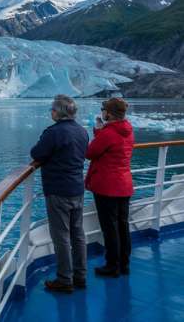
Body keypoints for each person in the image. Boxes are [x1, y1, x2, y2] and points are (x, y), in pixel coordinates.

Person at [31, 94, 89, 293]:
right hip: (77, 189)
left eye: (53, 109)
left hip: (58, 191)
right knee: (78, 234)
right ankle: (80, 276)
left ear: (59, 112)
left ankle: (65, 279)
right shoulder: (82, 131)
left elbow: (37, 154)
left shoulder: (53, 133)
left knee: (61, 236)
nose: (51, 112)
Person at [85, 97, 134, 277]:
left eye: (103, 109)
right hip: (124, 184)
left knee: (110, 227)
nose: (101, 111)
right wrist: (101, 132)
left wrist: (97, 131)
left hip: (107, 186)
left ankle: (112, 266)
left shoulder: (108, 133)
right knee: (122, 225)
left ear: (109, 113)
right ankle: (124, 264)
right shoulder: (127, 130)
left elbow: (90, 153)